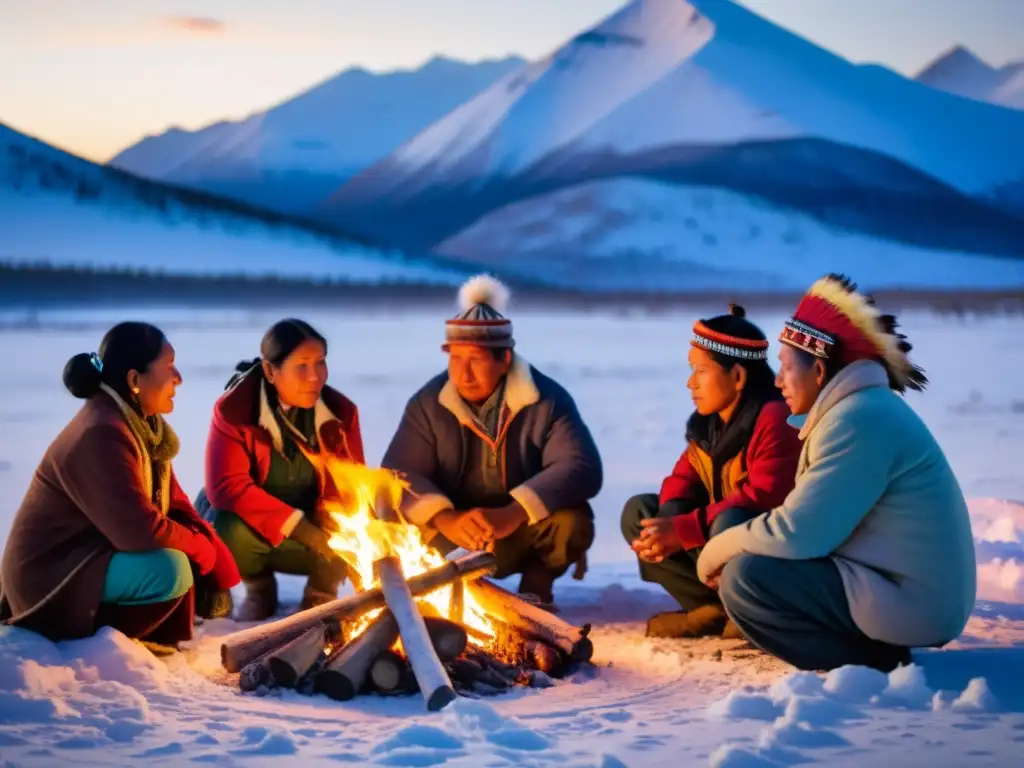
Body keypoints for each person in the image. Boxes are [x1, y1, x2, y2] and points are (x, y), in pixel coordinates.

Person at [696, 274, 976, 671]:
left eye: (786, 368)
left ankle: (869, 662)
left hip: (914, 602)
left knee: (745, 578)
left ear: (820, 373)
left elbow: (799, 533)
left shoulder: (859, 419)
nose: (777, 382)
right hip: (884, 579)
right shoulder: (856, 411)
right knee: (737, 526)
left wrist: (714, 552)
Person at [0, 322, 240, 652]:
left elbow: (177, 505)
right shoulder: (103, 432)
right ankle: (101, 645)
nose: (179, 377)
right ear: (133, 380)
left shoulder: (140, 425)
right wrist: (200, 550)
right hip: (50, 579)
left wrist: (212, 556)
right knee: (169, 568)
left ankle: (141, 636)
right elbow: (139, 531)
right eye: (169, 365)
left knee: (187, 550)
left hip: (87, 556)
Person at [382, 275, 602, 606]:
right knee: (396, 519)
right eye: (455, 359)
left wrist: (515, 512)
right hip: (455, 535)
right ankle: (448, 588)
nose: (463, 374)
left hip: (523, 531)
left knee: (572, 522)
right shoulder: (429, 403)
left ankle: (537, 585)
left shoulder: (547, 399)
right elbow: (397, 472)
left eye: (476, 360)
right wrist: (446, 518)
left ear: (505, 360)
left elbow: (581, 466)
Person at [620, 305, 802, 638]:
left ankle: (753, 612)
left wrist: (684, 529)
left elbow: (765, 498)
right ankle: (713, 611)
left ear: (737, 376)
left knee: (730, 523)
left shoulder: (776, 417)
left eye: (700, 371)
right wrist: (667, 522)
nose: (691, 383)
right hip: (718, 541)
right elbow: (683, 477)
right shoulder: (710, 425)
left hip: (774, 555)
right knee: (640, 514)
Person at [196, 319, 364, 621]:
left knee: (353, 527)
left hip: (316, 538)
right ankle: (260, 588)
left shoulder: (341, 413)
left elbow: (352, 487)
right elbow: (226, 487)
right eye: (302, 365)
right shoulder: (234, 411)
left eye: (321, 363)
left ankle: (320, 594)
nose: (315, 376)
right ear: (271, 371)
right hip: (255, 534)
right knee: (223, 526)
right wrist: (301, 529)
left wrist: (330, 526)